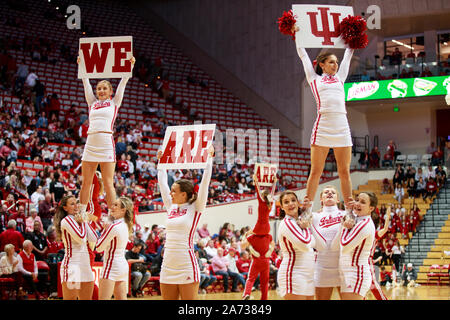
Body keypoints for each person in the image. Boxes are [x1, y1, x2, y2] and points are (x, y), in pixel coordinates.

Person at [292, 25, 355, 212]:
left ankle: (350, 210)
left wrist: (354, 36)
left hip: (342, 126)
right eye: (331, 62)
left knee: (344, 172)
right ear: (321, 64)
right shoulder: (314, 78)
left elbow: (349, 53)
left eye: (336, 62)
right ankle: (307, 210)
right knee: (316, 172)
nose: (335, 65)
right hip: (323, 125)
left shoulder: (341, 77)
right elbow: (302, 55)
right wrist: (296, 33)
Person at [76, 55, 136, 220]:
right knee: (86, 182)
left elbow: (123, 82)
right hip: (90, 141)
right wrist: (82, 65)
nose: (101, 91)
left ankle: (113, 215)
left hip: (106, 142)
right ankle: (81, 212)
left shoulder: (115, 102)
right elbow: (85, 82)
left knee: (109, 182)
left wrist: (129, 66)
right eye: (99, 88)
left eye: (104, 88)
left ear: (110, 91)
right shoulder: (92, 103)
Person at [156, 145, 214, 300]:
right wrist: (161, 163)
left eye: (174, 191)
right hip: (167, 264)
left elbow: (204, 185)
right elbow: (162, 184)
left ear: (184, 194)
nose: (170, 193)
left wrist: (210, 158)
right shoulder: (171, 206)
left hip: (186, 264)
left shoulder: (196, 207)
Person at [331, 192, 377, 300]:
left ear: (371, 208)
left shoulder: (365, 224)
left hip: (356, 274)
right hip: (348, 272)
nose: (358, 204)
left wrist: (345, 227)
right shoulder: (357, 219)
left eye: (363, 202)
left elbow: (345, 246)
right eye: (357, 200)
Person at [53, 195, 97, 300]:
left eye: (76, 203)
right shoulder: (66, 220)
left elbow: (94, 238)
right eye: (72, 204)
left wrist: (85, 222)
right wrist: (81, 223)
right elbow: (81, 238)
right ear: (65, 208)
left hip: (85, 265)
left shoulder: (79, 220)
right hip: (73, 266)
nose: (76, 206)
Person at [241, 173, 276, 300]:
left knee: (248, 234)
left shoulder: (261, 201)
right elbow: (271, 192)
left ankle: (246, 294)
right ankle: (264, 299)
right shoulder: (269, 203)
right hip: (266, 228)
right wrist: (274, 182)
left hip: (259, 227)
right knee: (265, 281)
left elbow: (257, 190)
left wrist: (256, 181)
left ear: (263, 196)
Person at [276, 190, 315, 300]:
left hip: (309, 274)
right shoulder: (287, 223)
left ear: (298, 203)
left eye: (293, 200)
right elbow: (305, 245)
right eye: (286, 202)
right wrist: (306, 228)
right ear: (282, 207)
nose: (291, 204)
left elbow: (313, 243)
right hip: (294, 273)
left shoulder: (301, 220)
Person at [309, 185, 345, 300]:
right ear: (321, 199)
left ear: (338, 199)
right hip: (322, 266)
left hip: (343, 266)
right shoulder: (314, 216)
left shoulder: (345, 215)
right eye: (326, 192)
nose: (329, 193)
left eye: (333, 192)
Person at [95, 197, 134, 300]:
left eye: (116, 205)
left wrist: (104, 230)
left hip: (111, 265)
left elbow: (98, 248)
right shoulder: (126, 225)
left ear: (123, 210)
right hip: (122, 265)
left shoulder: (113, 227)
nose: (112, 207)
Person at [369, 206, 391, 300]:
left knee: (373, 286)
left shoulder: (375, 233)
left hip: (367, 261)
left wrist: (388, 216)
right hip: (355, 262)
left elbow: (385, 229)